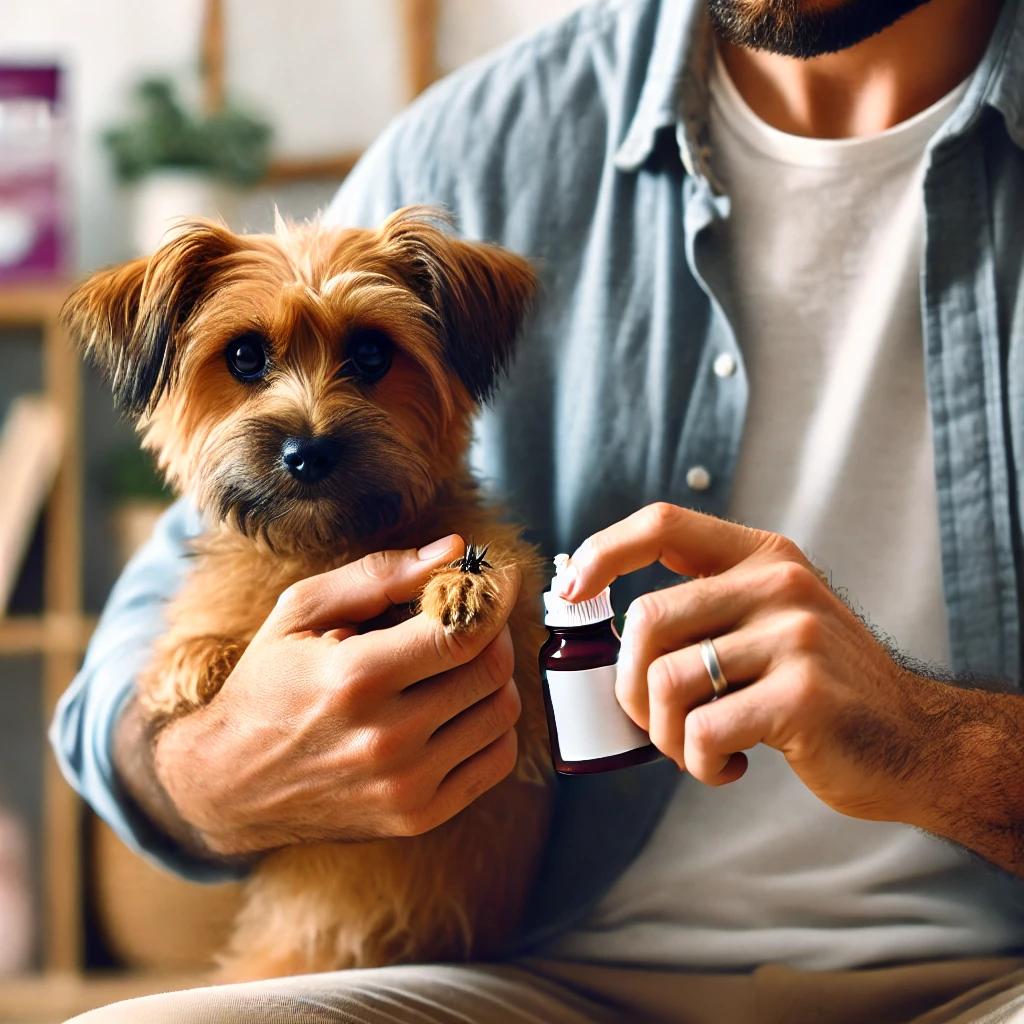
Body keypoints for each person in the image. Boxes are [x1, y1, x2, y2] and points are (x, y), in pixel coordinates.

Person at [57, 0, 1024, 1020]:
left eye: (368, 358)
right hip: (522, 980)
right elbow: (127, 677)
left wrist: (942, 747)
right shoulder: (475, 146)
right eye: (250, 361)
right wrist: (215, 768)